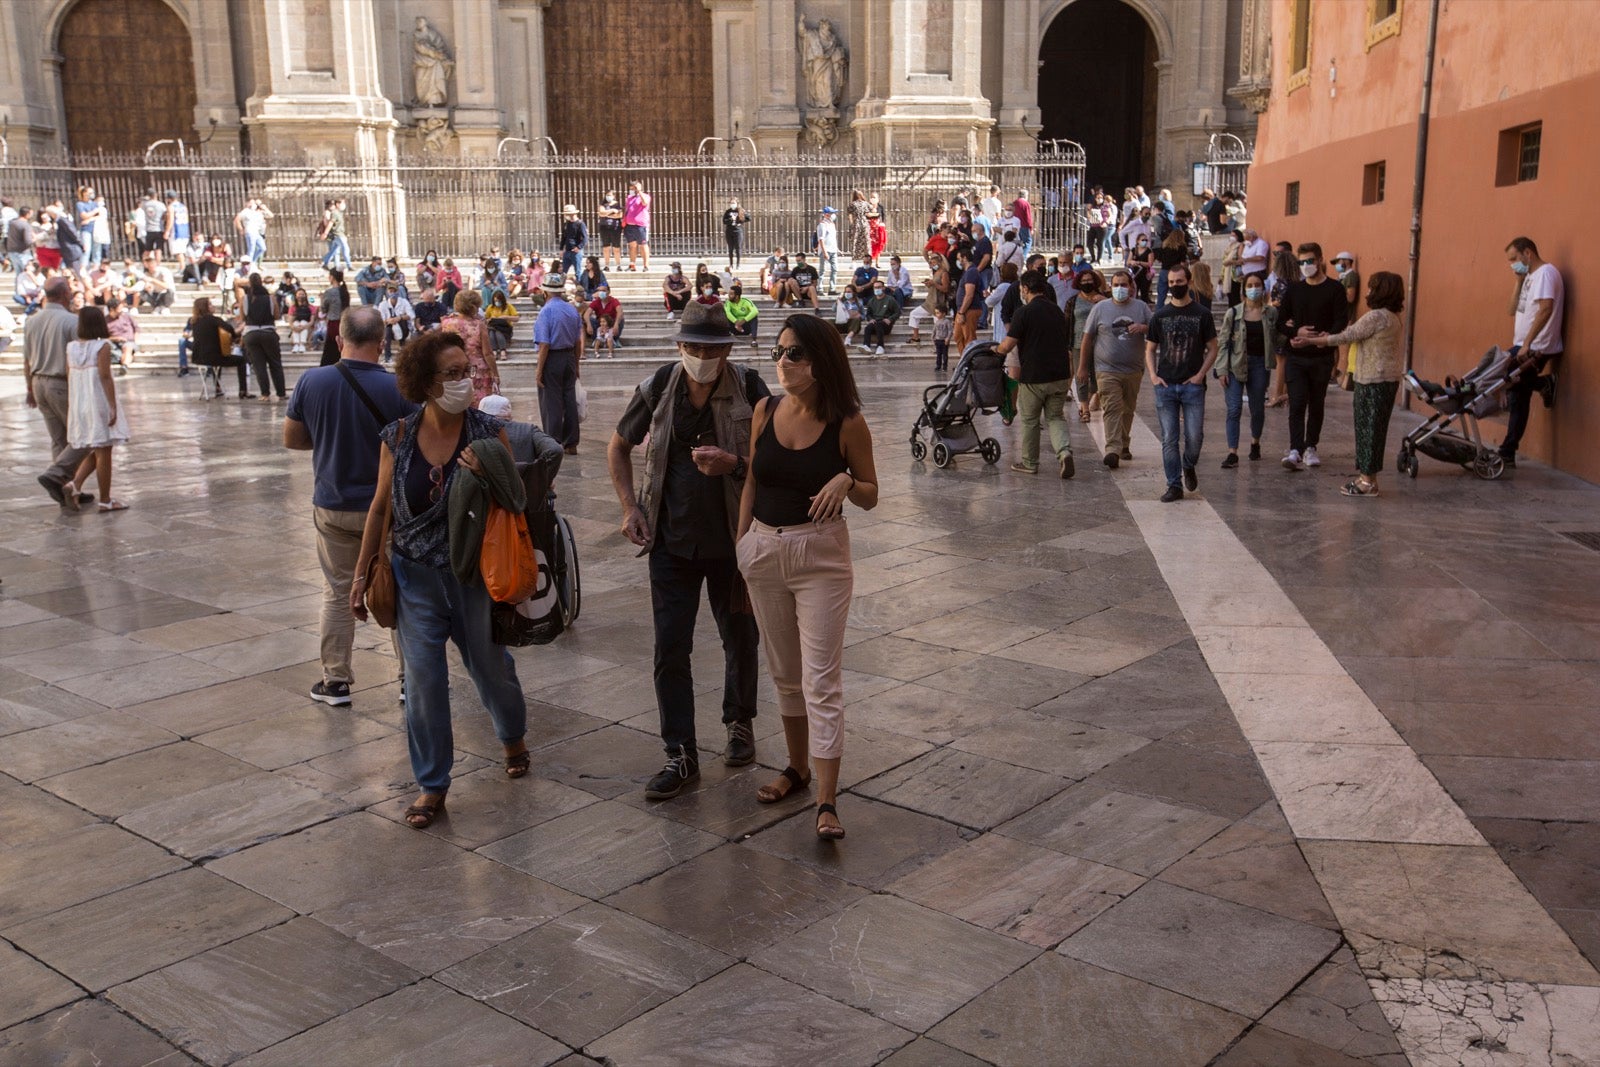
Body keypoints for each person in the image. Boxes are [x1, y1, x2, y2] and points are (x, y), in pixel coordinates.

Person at [350, 329, 530, 829]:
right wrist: (361, 572)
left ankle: (512, 734)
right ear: (425, 383)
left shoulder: (486, 432)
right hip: (413, 578)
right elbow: (380, 507)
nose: (464, 381)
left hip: (472, 575)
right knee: (424, 682)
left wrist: (490, 470)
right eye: (451, 374)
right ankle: (432, 784)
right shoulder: (399, 436)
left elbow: (516, 500)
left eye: (466, 371)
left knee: (490, 668)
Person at [608, 300, 771, 798]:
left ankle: (739, 721)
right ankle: (680, 754)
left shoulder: (750, 387)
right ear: (680, 346)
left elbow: (775, 460)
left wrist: (735, 462)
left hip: (733, 537)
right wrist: (629, 506)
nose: (703, 356)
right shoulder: (659, 386)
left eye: (713, 348)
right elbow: (618, 445)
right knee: (669, 649)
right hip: (671, 542)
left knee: (740, 635)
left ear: (727, 350)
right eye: (695, 346)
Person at [738, 313, 877, 840]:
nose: (782, 362)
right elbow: (752, 478)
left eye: (793, 353)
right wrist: (742, 543)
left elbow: (871, 491)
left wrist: (846, 480)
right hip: (764, 550)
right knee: (784, 673)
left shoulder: (847, 422)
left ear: (820, 361)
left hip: (820, 556)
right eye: (778, 352)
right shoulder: (764, 410)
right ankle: (796, 769)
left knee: (821, 680)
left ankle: (826, 800)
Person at [284, 306, 416, 706]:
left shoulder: (312, 381)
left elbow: (292, 439)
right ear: (382, 343)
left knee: (338, 591)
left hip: (333, 504)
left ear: (339, 341)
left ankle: (335, 681)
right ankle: (411, 679)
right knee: (402, 592)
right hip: (389, 509)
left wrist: (326, 440)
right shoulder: (399, 388)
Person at [1292, 271, 1406, 496]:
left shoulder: (1376, 316)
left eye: (1373, 287)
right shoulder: (1392, 317)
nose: (1369, 291)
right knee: (1375, 430)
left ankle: (1367, 481)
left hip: (1373, 380)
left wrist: (1312, 340)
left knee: (1367, 430)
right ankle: (1368, 478)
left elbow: (1347, 336)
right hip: (1386, 380)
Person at [1146, 264, 1218, 502]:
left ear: (1188, 281)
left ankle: (1188, 464)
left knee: (1195, 437)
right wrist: (1154, 377)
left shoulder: (1202, 314)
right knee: (1169, 438)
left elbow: (1213, 348)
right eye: (1172, 282)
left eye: (1180, 281)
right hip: (1165, 386)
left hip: (1193, 386)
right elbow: (1150, 349)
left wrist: (1200, 375)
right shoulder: (1160, 315)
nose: (1175, 286)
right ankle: (1174, 485)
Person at [1276, 243, 1349, 471]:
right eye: (1301, 262)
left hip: (1322, 355)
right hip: (1297, 356)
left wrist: (1330, 335)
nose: (1306, 266)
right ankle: (1295, 448)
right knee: (1296, 401)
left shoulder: (1335, 289)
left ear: (1319, 260)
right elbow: (1279, 321)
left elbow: (1341, 319)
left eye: (1309, 261)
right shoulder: (1294, 289)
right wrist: (1295, 332)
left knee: (1317, 403)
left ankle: (1311, 447)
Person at [996, 268, 1076, 478]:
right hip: (1060, 374)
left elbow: (1008, 345)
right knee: (1056, 417)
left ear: (1025, 289)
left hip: (1034, 376)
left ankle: (1030, 462)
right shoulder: (1056, 311)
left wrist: (996, 350)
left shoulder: (1024, 312)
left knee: (1030, 420)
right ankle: (1064, 452)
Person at [1496, 237, 1565, 469]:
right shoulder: (1528, 277)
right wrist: (1518, 281)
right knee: (1518, 389)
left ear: (1528, 253)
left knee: (1512, 385)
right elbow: (1509, 310)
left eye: (1514, 259)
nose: (1512, 264)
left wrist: (1527, 343)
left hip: (1537, 347)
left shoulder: (1546, 273)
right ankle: (1543, 384)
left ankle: (1507, 451)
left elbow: (1546, 309)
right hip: (1523, 344)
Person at [25, 279, 94, 508]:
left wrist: (29, 389)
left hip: (38, 381)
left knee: (59, 439)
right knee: (85, 435)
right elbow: (80, 359)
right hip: (61, 384)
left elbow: (26, 359)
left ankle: (68, 488)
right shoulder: (71, 321)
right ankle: (57, 474)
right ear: (65, 294)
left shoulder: (32, 321)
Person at [59, 306, 131, 513]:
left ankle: (74, 485)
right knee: (104, 450)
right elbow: (105, 377)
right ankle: (106, 500)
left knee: (100, 448)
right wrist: (113, 406)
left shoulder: (71, 347)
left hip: (80, 403)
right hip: (98, 401)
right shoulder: (103, 346)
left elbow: (69, 375)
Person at [1080, 269, 1151, 468]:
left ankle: (1123, 443)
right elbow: (1087, 337)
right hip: (1106, 369)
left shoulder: (1141, 308)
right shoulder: (1100, 308)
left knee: (1128, 409)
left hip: (1133, 369)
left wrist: (1143, 328)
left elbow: (1156, 331)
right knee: (1111, 408)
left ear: (1131, 287)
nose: (1120, 288)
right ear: (1111, 287)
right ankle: (1112, 448)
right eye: (1116, 284)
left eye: (1124, 284)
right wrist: (1082, 367)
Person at [1216, 273, 1277, 469]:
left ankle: (1255, 442)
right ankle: (1232, 452)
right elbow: (1223, 342)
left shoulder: (1271, 313)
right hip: (1235, 364)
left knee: (1257, 409)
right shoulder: (1233, 313)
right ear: (1244, 289)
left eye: (1257, 284)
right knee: (1234, 409)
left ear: (1263, 287)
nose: (1253, 288)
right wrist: (1221, 369)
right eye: (1249, 285)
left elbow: (1278, 337)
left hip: (1260, 365)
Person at [534, 272, 583, 453]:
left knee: (551, 401)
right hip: (569, 356)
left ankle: (553, 442)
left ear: (545, 292)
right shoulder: (571, 309)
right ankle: (571, 442)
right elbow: (578, 341)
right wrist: (576, 364)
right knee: (569, 399)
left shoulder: (545, 312)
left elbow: (544, 344)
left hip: (553, 358)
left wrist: (539, 370)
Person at [187, 297, 252, 398]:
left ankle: (218, 388)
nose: (213, 306)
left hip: (198, 358)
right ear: (205, 307)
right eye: (210, 304)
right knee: (242, 360)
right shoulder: (214, 320)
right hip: (213, 357)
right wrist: (235, 337)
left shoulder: (194, 321)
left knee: (216, 361)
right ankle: (243, 391)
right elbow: (229, 328)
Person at [441, 289, 497, 403]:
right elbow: (487, 353)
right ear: (473, 306)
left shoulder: (447, 324)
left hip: (456, 370)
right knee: (480, 405)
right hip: (478, 371)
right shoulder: (479, 325)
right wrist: (495, 373)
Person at [241, 273, 287, 401]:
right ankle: (281, 393)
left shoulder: (245, 299)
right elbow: (277, 315)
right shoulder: (270, 298)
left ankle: (265, 394)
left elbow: (243, 317)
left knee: (259, 365)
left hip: (251, 333)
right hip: (268, 332)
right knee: (275, 363)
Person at [1330, 251, 1361, 387]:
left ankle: (1337, 375)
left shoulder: (1351, 276)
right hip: (1337, 314)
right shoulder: (1342, 276)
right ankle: (1333, 374)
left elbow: (1350, 297)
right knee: (1334, 345)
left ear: (1346, 261)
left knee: (1340, 345)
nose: (1337, 265)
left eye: (1339, 261)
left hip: (1345, 316)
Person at [379, 281, 417, 362]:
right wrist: (389, 321)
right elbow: (380, 320)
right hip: (390, 330)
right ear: (387, 292)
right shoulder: (383, 304)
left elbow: (412, 315)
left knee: (402, 321)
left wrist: (399, 318)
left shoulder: (403, 302)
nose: (392, 293)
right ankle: (387, 356)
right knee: (387, 330)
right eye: (390, 291)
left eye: (394, 291)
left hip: (403, 328)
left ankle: (402, 343)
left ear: (398, 292)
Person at [319, 269, 350, 367]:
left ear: (332, 277)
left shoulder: (329, 292)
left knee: (330, 351)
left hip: (333, 323)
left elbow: (324, 309)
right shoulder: (345, 291)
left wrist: (321, 299)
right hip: (344, 323)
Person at [861, 277, 900, 354]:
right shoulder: (871, 301)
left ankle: (880, 346)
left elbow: (897, 312)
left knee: (879, 325)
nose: (877, 289)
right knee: (868, 328)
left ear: (883, 288)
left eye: (879, 287)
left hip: (885, 324)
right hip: (875, 322)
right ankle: (866, 346)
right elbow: (868, 314)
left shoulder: (890, 299)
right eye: (875, 287)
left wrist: (890, 319)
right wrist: (870, 319)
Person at [103, 299, 140, 374]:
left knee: (127, 348)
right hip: (113, 343)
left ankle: (124, 365)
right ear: (112, 309)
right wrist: (115, 338)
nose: (121, 311)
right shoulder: (104, 320)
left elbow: (137, 329)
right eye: (119, 309)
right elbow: (102, 336)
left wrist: (135, 340)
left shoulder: (127, 316)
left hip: (128, 341)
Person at [584, 283, 624, 350]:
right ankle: (596, 339)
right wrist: (588, 324)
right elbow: (586, 314)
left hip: (611, 324)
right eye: (600, 290)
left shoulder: (614, 301)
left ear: (608, 292)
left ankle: (615, 339)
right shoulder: (596, 302)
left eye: (603, 291)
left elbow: (620, 312)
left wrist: (616, 324)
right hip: (600, 324)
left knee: (621, 319)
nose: (601, 292)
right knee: (590, 320)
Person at [624, 181, 652, 271]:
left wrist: (640, 192)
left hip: (640, 226)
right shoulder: (629, 198)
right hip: (629, 225)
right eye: (631, 188)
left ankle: (646, 265)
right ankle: (632, 265)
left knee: (643, 245)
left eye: (633, 188)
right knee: (632, 245)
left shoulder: (645, 196)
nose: (632, 190)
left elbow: (645, 203)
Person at [320, 197, 351, 271]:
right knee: (338, 250)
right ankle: (347, 265)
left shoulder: (336, 213)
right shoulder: (329, 213)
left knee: (335, 250)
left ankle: (328, 263)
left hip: (335, 234)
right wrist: (326, 233)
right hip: (332, 234)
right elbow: (328, 224)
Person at [813, 207, 839, 294]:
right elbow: (821, 239)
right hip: (826, 250)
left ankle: (832, 288)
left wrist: (837, 248)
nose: (833, 215)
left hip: (833, 249)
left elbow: (832, 238)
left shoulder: (832, 224)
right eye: (831, 213)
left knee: (834, 269)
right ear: (826, 214)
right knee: (822, 270)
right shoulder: (822, 225)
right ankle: (820, 288)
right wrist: (824, 252)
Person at [558, 204, 587, 280]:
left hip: (576, 252)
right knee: (563, 272)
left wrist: (579, 247)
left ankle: (580, 288)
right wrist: (561, 249)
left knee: (577, 272)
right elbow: (564, 237)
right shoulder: (566, 224)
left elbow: (585, 238)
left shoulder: (580, 224)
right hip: (567, 251)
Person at [725, 282, 759, 346]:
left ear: (737, 296)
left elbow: (755, 311)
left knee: (754, 317)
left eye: (731, 294)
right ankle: (728, 337)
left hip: (745, 327)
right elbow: (727, 312)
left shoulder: (746, 301)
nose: (729, 295)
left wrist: (743, 321)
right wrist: (736, 322)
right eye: (729, 293)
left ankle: (754, 340)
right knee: (724, 316)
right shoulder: (728, 302)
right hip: (734, 327)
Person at [722, 197, 748, 271]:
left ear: (737, 203)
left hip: (738, 231)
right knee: (730, 248)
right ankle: (731, 264)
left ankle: (738, 264)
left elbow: (748, 218)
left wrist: (740, 221)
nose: (732, 204)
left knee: (738, 248)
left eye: (734, 203)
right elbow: (724, 221)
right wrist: (731, 219)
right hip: (729, 231)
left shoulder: (740, 210)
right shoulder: (728, 212)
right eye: (731, 203)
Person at [847, 189, 871, 262]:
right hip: (864, 223)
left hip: (856, 223)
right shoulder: (866, 203)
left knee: (855, 241)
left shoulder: (852, 204)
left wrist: (851, 224)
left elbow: (849, 215)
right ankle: (868, 259)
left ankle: (854, 260)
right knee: (866, 242)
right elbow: (869, 213)